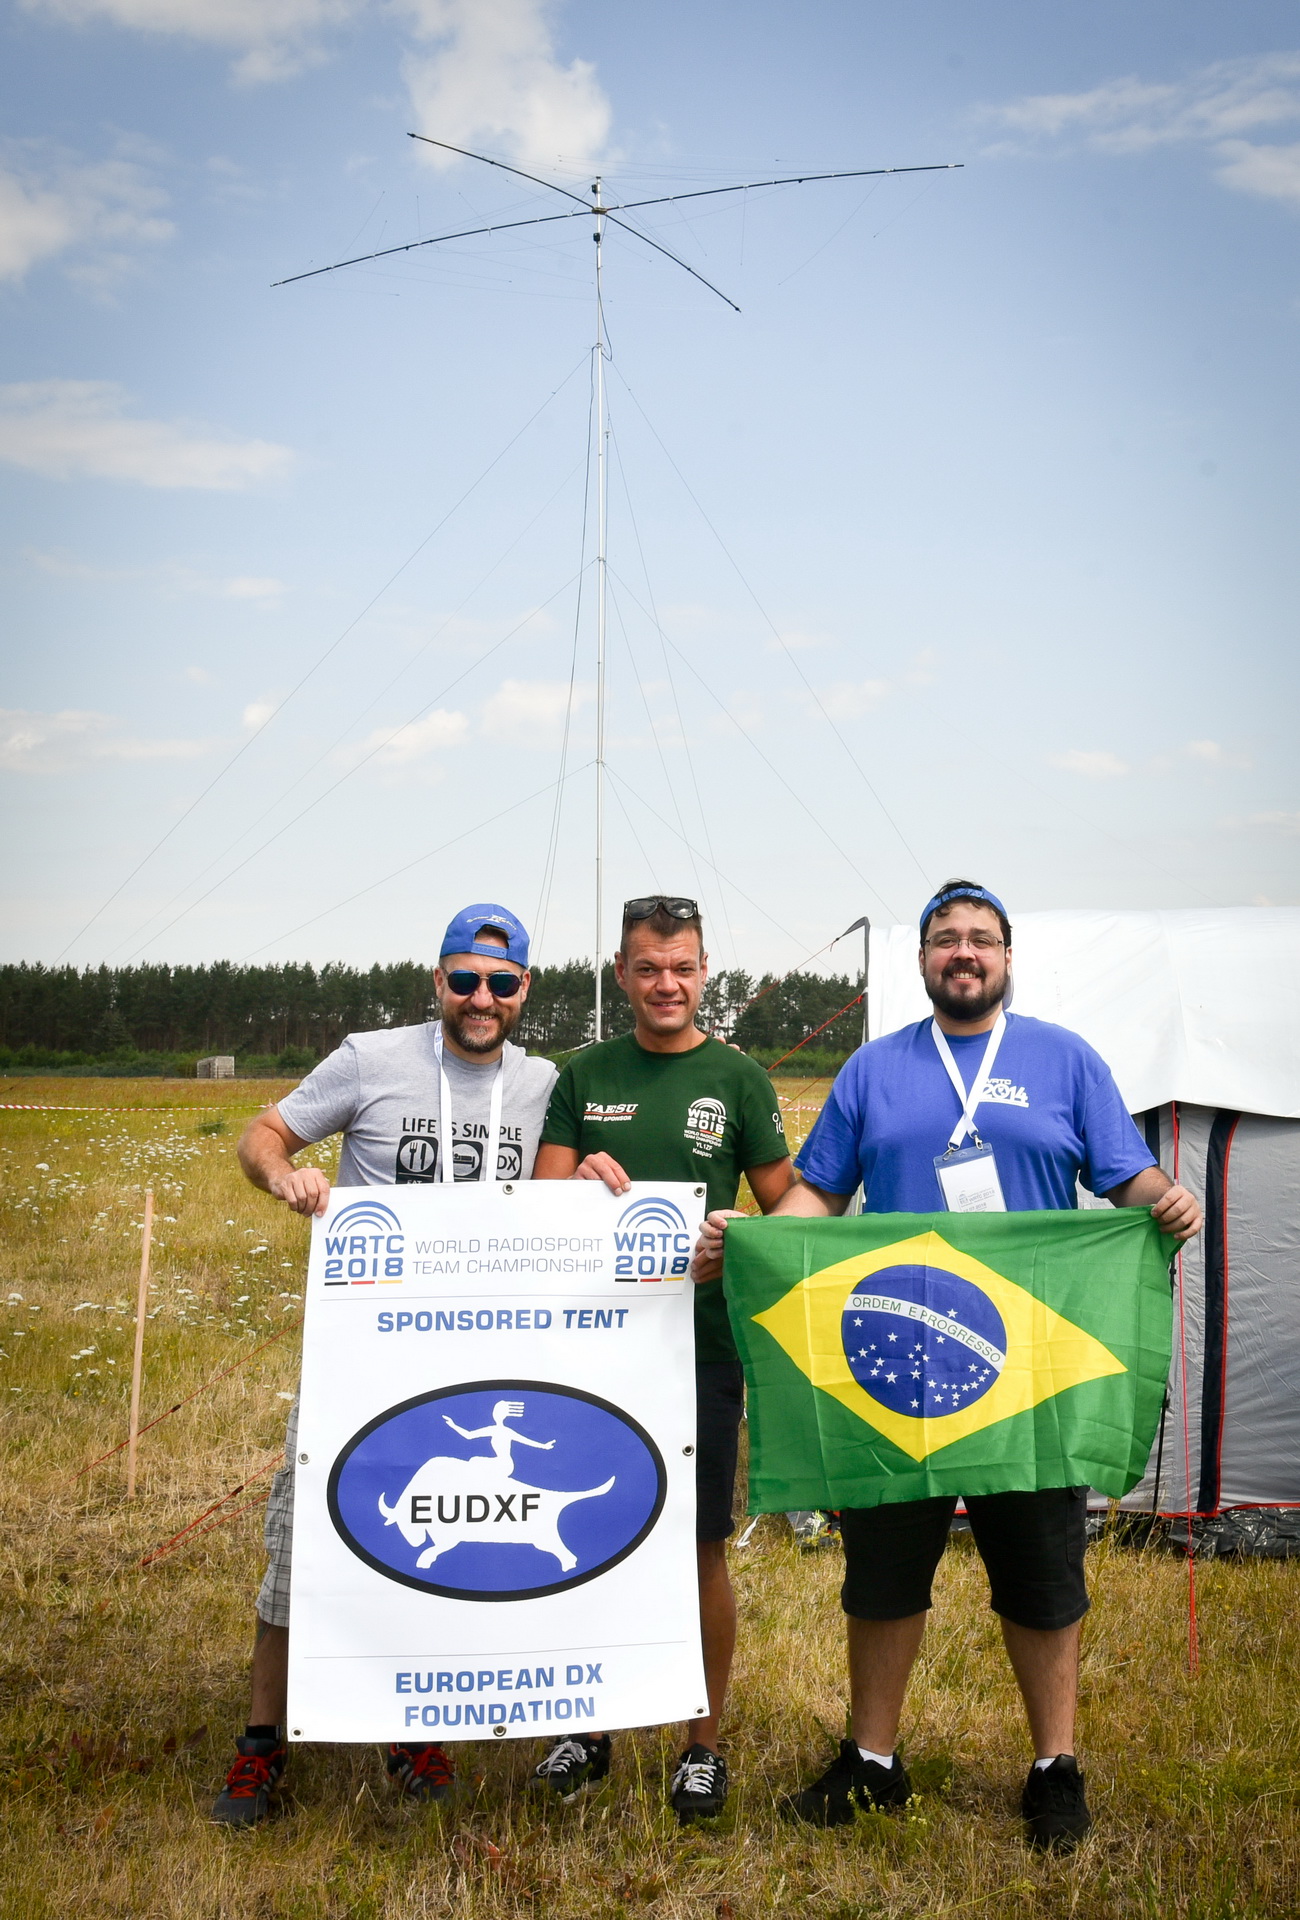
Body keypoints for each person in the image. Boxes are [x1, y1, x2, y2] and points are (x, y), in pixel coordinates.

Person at [694, 879, 1203, 1850]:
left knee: (1041, 1574)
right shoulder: (873, 1070)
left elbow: (1124, 1174)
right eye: (945, 938)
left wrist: (1162, 1198)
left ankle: (1054, 1768)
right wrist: (752, 1240)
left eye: (980, 938)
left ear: (1006, 958)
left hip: (1028, 1368)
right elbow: (818, 1196)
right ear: (922, 959)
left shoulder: (1065, 1060)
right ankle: (872, 1762)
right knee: (882, 1572)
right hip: (894, 1372)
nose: (963, 952)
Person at [210, 903, 558, 1827]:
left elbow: (561, 1196)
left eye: (501, 983)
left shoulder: (544, 1084)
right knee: (301, 1547)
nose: (481, 998)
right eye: (464, 979)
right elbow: (262, 1133)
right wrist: (284, 1174)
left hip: (473, 1366)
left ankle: (412, 1725)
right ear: (437, 981)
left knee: (436, 1541)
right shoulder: (370, 1059)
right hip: (358, 1359)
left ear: (524, 990)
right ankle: (261, 1746)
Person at [532, 895, 795, 1822]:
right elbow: (539, 1202)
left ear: (705, 970)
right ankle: (589, 1725)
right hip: (592, 1350)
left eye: (682, 967)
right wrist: (579, 1182)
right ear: (621, 973)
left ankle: (701, 1743)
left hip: (700, 1350)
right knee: (589, 1534)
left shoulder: (739, 1079)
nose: (666, 984)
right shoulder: (584, 1072)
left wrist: (737, 1240)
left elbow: (789, 1208)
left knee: (698, 1545)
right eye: (648, 968)